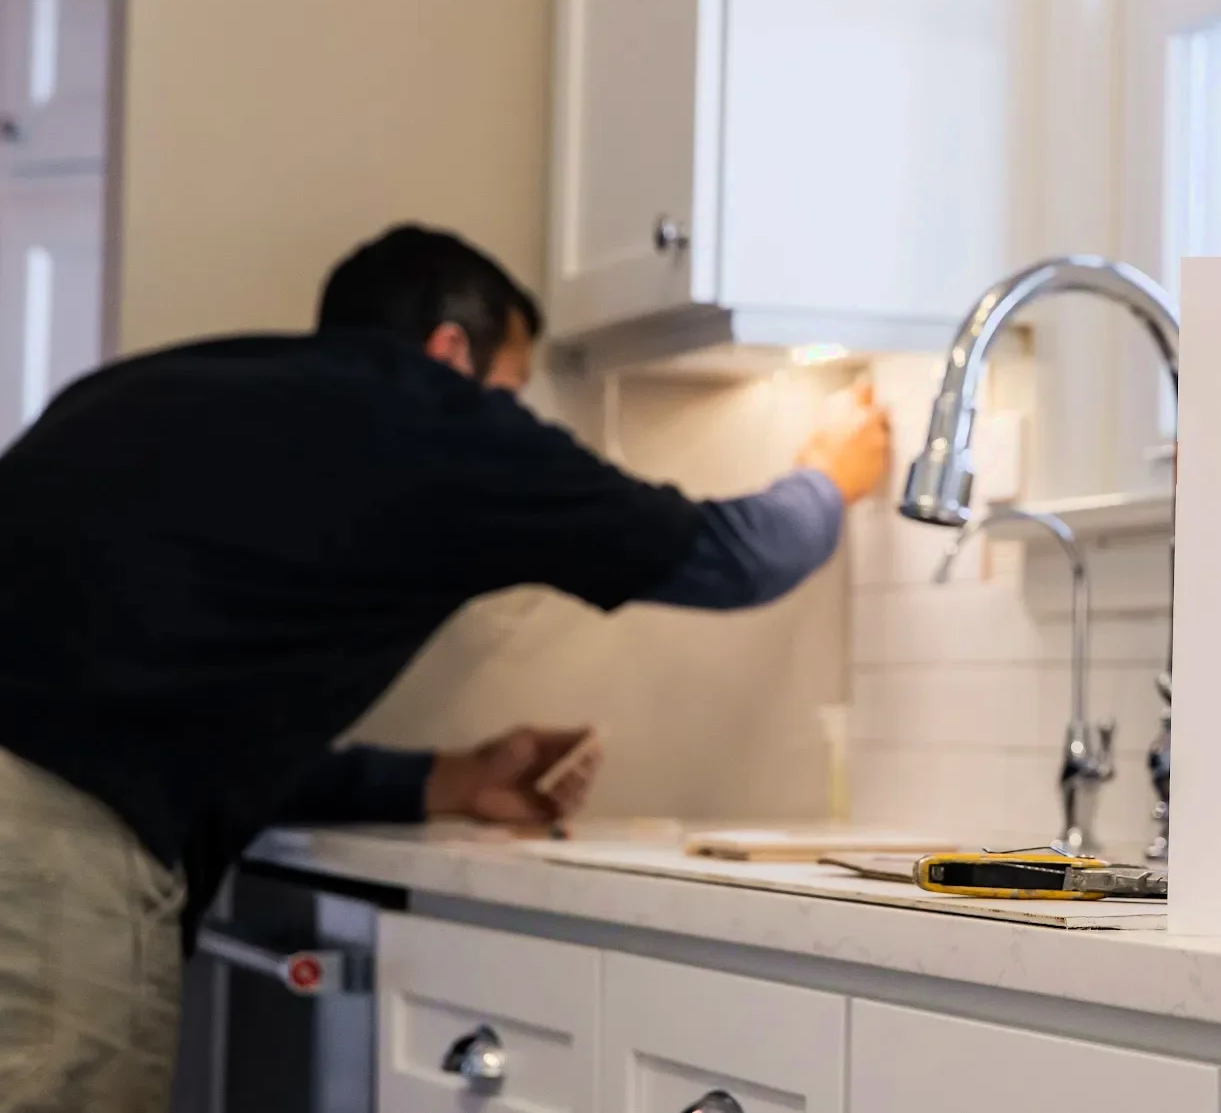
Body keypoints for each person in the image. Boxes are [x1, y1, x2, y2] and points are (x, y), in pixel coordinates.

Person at [0, 224, 893, 1113]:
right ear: (451, 349)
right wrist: (828, 476)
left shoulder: (149, 392)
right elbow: (731, 557)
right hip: (44, 852)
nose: (512, 413)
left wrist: (448, 780)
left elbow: (189, 733)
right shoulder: (436, 415)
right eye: (510, 386)